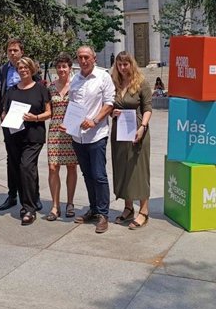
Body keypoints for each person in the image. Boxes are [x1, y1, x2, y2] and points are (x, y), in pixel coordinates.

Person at [67, 45, 115, 234]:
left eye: (87, 57)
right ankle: (94, 209)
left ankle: (104, 214)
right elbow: (73, 105)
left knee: (99, 175)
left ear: (94, 58)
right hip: (78, 137)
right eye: (80, 57)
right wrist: (69, 124)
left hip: (97, 135)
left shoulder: (103, 77)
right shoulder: (75, 79)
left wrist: (94, 121)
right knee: (87, 175)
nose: (83, 60)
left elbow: (109, 103)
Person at [2, 57, 51, 225]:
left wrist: (35, 117)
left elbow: (48, 112)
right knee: (20, 170)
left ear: (31, 69)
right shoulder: (12, 90)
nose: (22, 70)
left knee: (26, 167)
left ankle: (29, 209)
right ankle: (31, 199)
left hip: (34, 136)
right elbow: (4, 112)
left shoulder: (40, 89)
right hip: (14, 135)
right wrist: (6, 119)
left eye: (25, 67)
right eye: (20, 68)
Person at [0, 38, 42, 212]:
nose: (13, 53)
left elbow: (37, 90)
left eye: (15, 50)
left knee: (29, 163)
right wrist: (2, 111)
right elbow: (0, 92)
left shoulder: (29, 67)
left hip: (28, 120)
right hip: (9, 119)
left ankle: (34, 195)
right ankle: (12, 194)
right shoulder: (3, 69)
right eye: (10, 50)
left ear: (22, 51)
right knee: (12, 159)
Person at [110, 52, 153, 230]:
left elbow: (148, 107)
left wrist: (143, 127)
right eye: (119, 64)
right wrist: (113, 112)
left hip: (137, 130)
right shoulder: (114, 83)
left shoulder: (141, 82)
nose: (122, 68)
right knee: (122, 169)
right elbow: (109, 105)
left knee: (138, 170)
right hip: (119, 131)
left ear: (131, 64)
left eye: (125, 64)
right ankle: (128, 207)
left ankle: (143, 211)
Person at [45, 52, 78, 221]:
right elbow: (47, 109)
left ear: (70, 68)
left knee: (72, 166)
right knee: (53, 167)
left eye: (64, 66)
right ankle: (55, 206)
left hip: (71, 131)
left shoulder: (76, 86)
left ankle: (70, 203)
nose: (61, 69)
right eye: (58, 66)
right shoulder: (50, 87)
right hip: (54, 131)